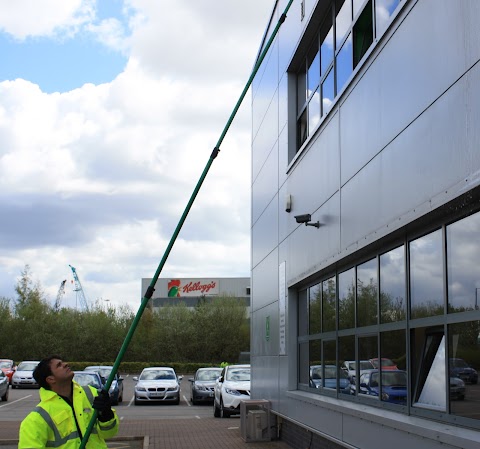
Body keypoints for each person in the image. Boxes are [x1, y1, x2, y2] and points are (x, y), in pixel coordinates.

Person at [18, 355, 119, 448]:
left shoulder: (91, 394)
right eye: (59, 365)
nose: (65, 364)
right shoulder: (37, 419)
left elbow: (109, 433)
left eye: (62, 362)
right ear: (50, 379)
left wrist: (106, 415)